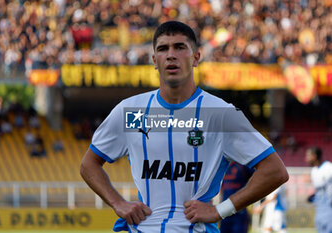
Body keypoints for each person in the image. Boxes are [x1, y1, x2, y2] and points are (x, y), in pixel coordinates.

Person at [80, 21, 288, 233]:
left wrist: (220, 210)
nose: (171, 55)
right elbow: (89, 164)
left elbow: (275, 171)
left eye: (180, 47)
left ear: (195, 58)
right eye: (162, 49)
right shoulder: (132, 111)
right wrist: (118, 203)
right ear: (154, 60)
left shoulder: (220, 115)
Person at [220, 162, 254, 233]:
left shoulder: (242, 164)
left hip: (239, 211)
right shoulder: (223, 165)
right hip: (225, 211)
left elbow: (258, 176)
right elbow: (222, 188)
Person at [305, 146, 332, 233]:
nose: (306, 159)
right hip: (319, 210)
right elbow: (320, 189)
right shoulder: (314, 171)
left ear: (314, 156)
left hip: (329, 210)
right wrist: (312, 196)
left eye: (308, 156)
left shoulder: (329, 168)